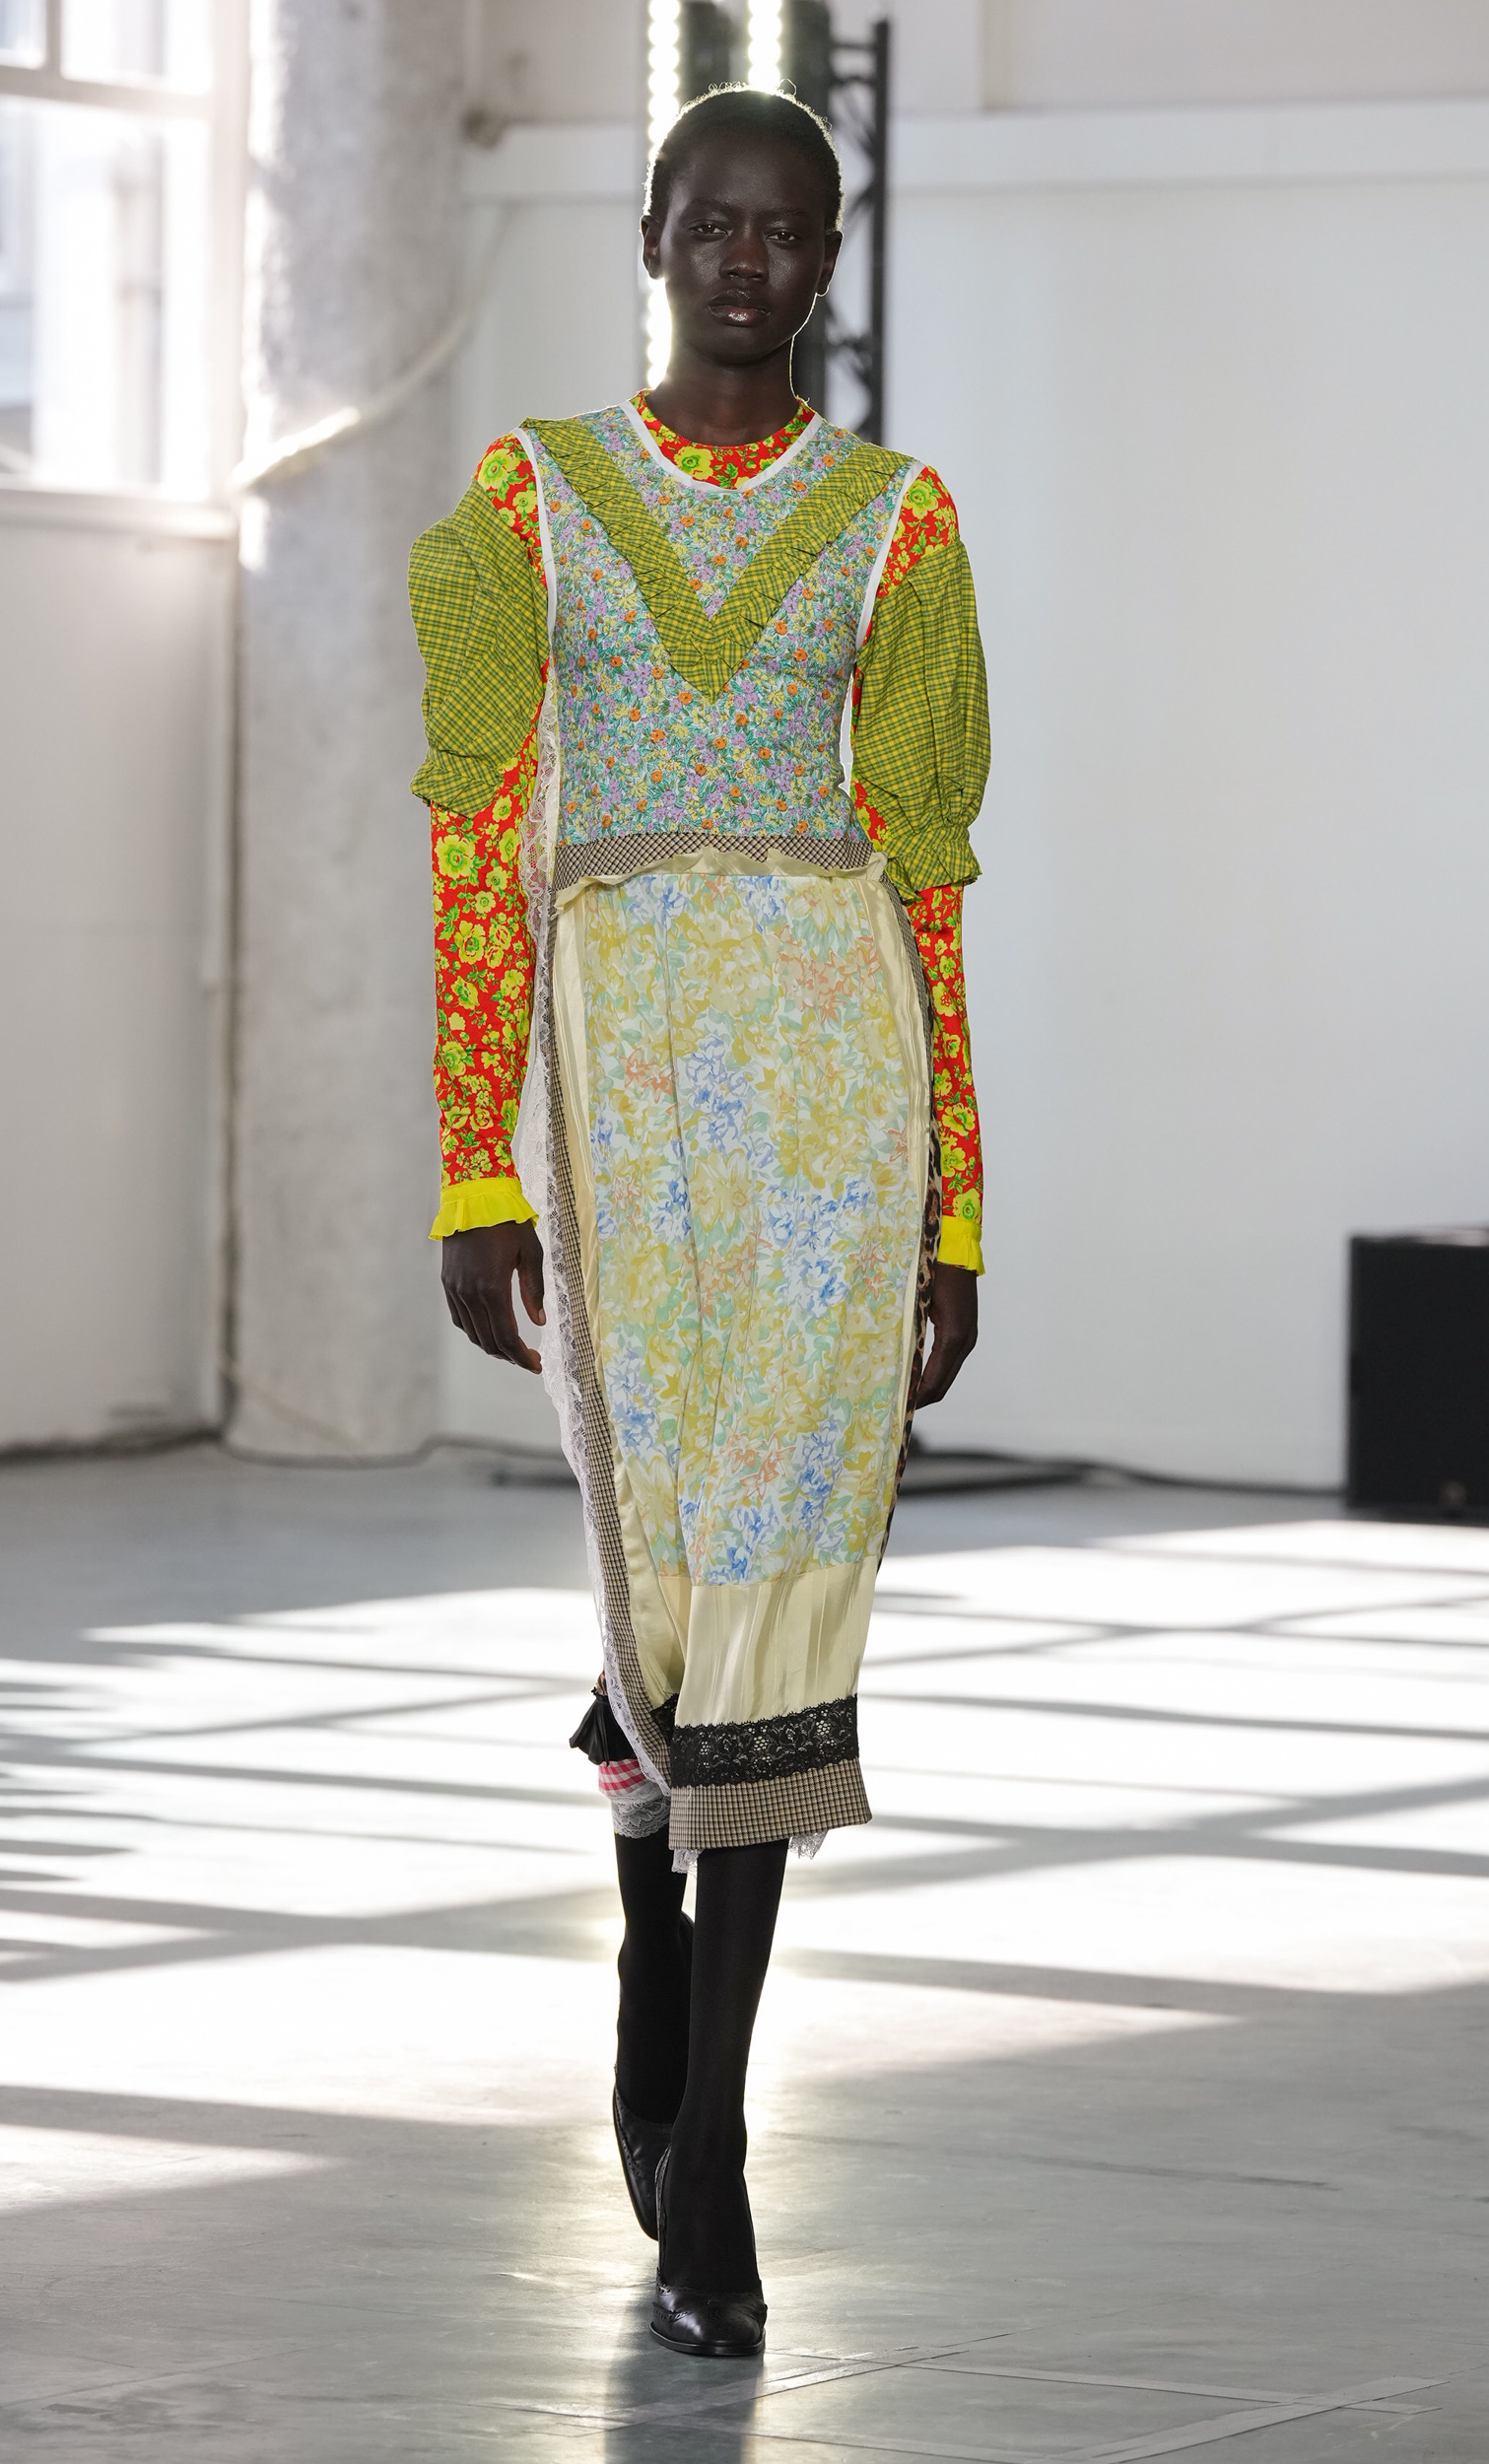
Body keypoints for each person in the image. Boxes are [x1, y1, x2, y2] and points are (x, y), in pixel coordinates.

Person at [408, 85, 989, 2360]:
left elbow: (926, 874)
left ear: (831, 257)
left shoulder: (901, 522)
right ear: (651, 230)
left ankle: (718, 2137)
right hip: (615, 1074)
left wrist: (954, 1200)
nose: (752, 259)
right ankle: (649, 1909)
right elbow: (480, 843)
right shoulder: (526, 501)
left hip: (835, 1088)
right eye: (716, 221)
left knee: (779, 1568)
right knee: (660, 1561)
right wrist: (476, 1159)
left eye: (792, 229)